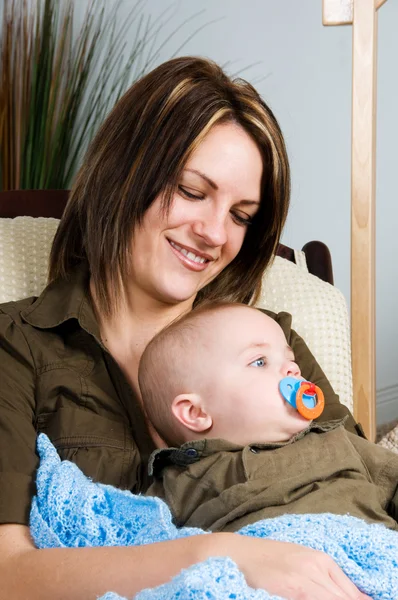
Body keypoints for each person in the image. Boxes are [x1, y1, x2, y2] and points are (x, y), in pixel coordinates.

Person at [0, 56, 370, 600]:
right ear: (123, 175)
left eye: (241, 215)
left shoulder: (272, 340)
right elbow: (9, 574)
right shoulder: (18, 344)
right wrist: (217, 555)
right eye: (192, 192)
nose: (214, 233)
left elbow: (364, 487)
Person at [139, 302, 398, 533]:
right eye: (260, 362)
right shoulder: (181, 483)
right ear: (196, 413)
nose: (294, 369)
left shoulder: (337, 440)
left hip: (372, 557)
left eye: (290, 359)